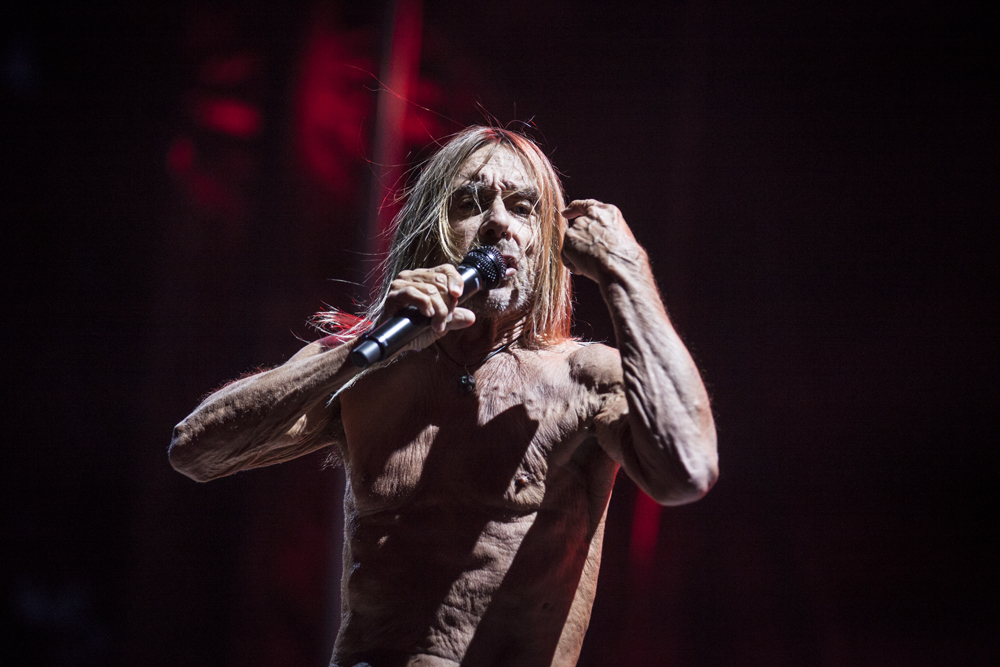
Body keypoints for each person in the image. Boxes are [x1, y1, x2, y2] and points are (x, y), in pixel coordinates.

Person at [169, 126, 718, 667]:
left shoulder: (585, 378)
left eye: (523, 207)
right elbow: (194, 450)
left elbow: (686, 469)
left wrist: (626, 272)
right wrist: (362, 349)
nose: (497, 222)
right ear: (433, 229)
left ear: (547, 244)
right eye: (470, 203)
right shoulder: (372, 362)